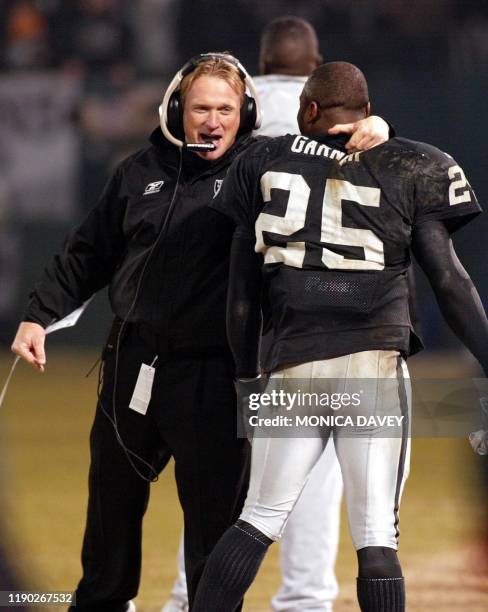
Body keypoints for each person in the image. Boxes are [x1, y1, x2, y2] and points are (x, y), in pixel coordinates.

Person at [11, 53, 390, 612]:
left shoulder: (264, 169)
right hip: (133, 362)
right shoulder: (137, 171)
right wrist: (37, 315)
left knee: (214, 524)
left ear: (246, 114)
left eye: (225, 109)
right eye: (201, 108)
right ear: (175, 110)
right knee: (110, 509)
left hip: (216, 374)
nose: (212, 120)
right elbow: (87, 252)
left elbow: (333, 162)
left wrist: (373, 130)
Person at [191, 61, 488, 612]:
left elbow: (240, 295)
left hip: (290, 362)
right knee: (376, 536)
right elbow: (448, 279)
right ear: (368, 113)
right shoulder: (412, 165)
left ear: (308, 110)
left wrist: (245, 376)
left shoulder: (259, 161)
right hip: (371, 363)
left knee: (256, 519)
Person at [161, 19, 391, 612]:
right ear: (313, 65)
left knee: (226, 485)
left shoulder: (242, 105)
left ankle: (191, 597)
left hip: (231, 317)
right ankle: (306, 597)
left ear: (261, 60)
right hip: (318, 320)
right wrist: (379, 125)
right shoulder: (350, 124)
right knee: (316, 480)